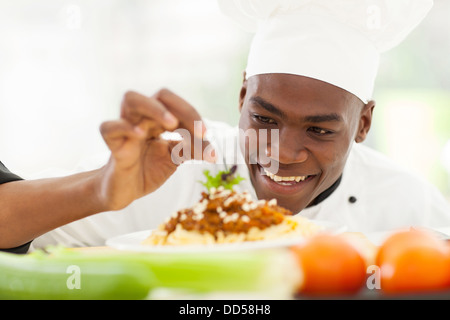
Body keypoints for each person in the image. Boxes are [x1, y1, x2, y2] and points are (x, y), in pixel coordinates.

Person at [4, 0, 450, 252]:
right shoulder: (174, 169)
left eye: (319, 130)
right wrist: (101, 187)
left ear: (364, 123)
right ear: (241, 98)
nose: (282, 152)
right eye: (263, 119)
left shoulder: (410, 206)